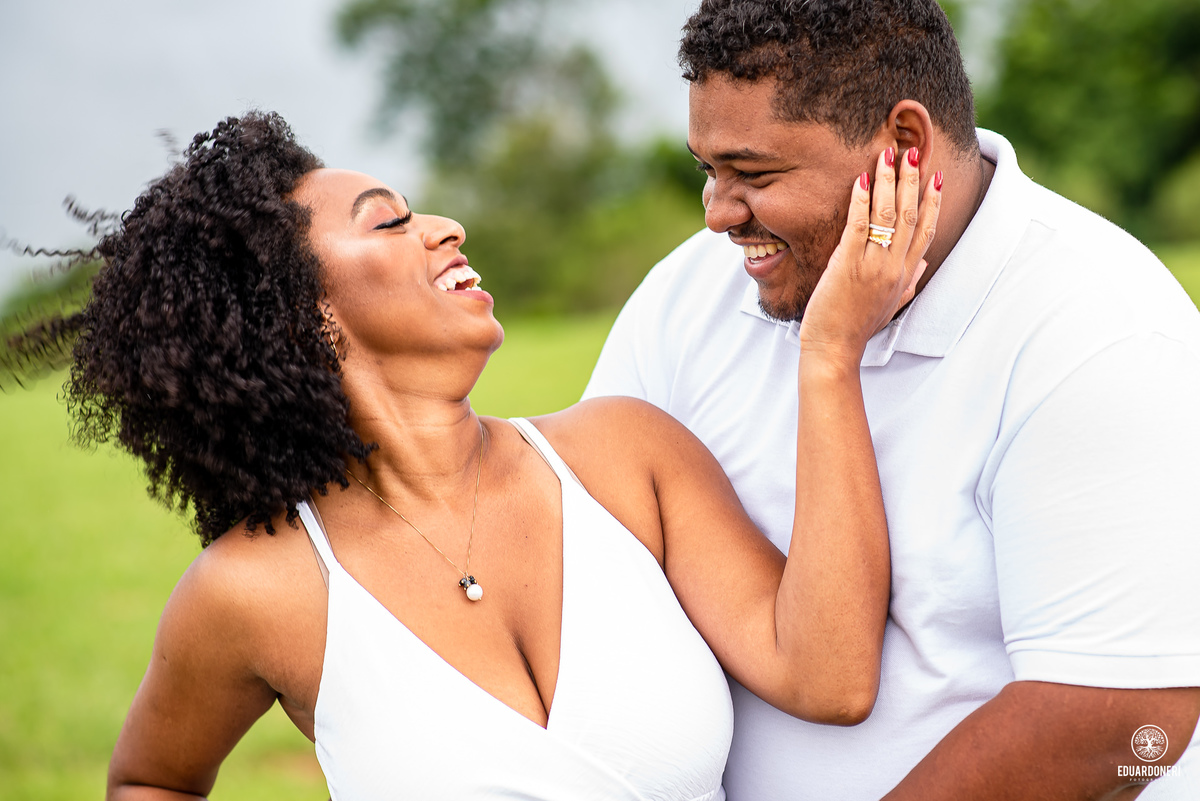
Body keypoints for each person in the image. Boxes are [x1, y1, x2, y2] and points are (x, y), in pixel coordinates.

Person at [2, 111, 938, 799]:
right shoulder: (258, 591)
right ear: (303, 315)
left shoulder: (625, 456)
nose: (445, 226)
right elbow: (150, 780)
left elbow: (830, 674)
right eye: (389, 222)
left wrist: (830, 353)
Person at [583, 1, 1200, 799]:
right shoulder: (686, 298)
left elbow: (1123, 721)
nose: (718, 216)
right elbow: (593, 577)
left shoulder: (1097, 329)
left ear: (904, 146)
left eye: (756, 174)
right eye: (709, 170)